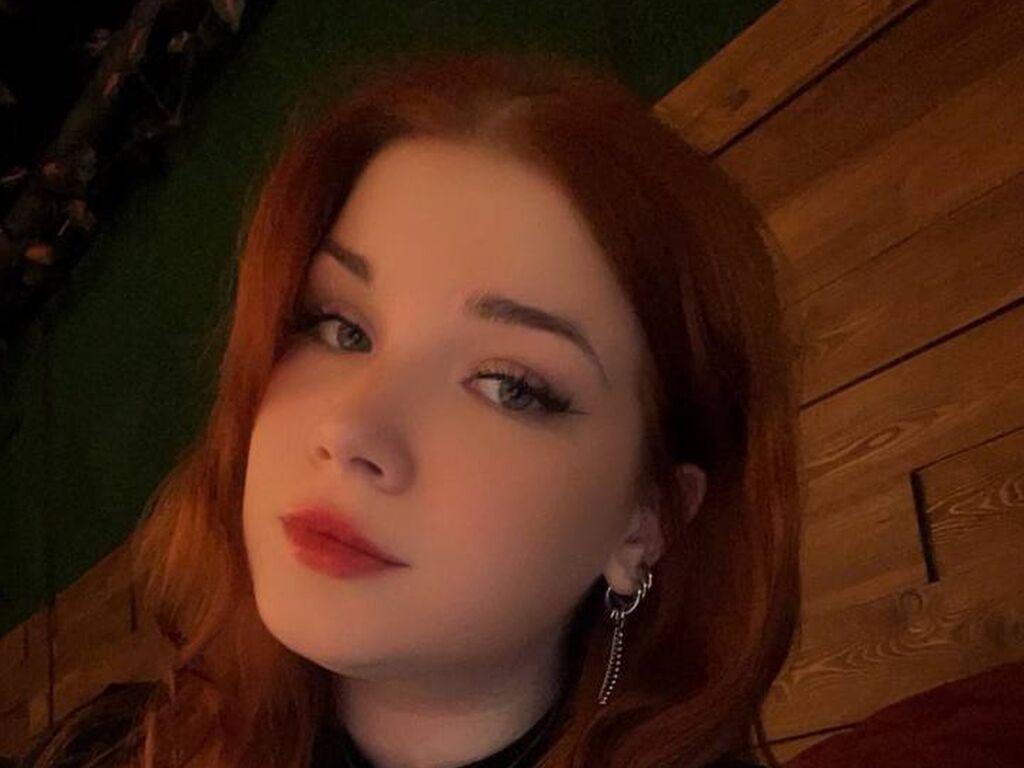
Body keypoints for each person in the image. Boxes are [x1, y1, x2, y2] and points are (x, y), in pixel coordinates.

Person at [20, 50, 802, 768]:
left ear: (645, 522)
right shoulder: (122, 749)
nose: (349, 429)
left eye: (508, 385)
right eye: (339, 327)